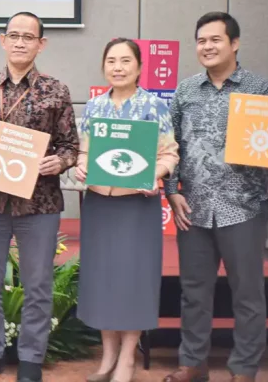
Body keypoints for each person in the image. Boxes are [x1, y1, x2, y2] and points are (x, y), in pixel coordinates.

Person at [0, 12, 78, 382]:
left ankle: (30, 358)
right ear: (2, 40)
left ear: (41, 44)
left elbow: (71, 146)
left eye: (29, 36)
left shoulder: (56, 90)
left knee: (38, 284)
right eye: (14, 35)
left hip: (38, 204)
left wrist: (61, 161)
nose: (21, 42)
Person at [162, 12, 268, 382]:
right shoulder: (185, 90)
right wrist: (171, 192)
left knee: (247, 296)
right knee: (193, 292)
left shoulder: (260, 89)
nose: (206, 47)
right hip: (192, 208)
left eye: (215, 40)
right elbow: (171, 145)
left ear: (234, 44)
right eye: (201, 41)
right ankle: (193, 364)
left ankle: (243, 369)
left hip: (244, 208)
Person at [73, 38, 178, 382]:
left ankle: (128, 359)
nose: (117, 67)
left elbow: (169, 154)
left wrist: (155, 175)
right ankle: (107, 358)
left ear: (139, 66)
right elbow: (84, 152)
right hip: (101, 206)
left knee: (133, 281)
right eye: (111, 61)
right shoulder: (94, 107)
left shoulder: (154, 106)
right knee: (103, 279)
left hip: (138, 206)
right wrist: (81, 166)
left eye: (125, 61)